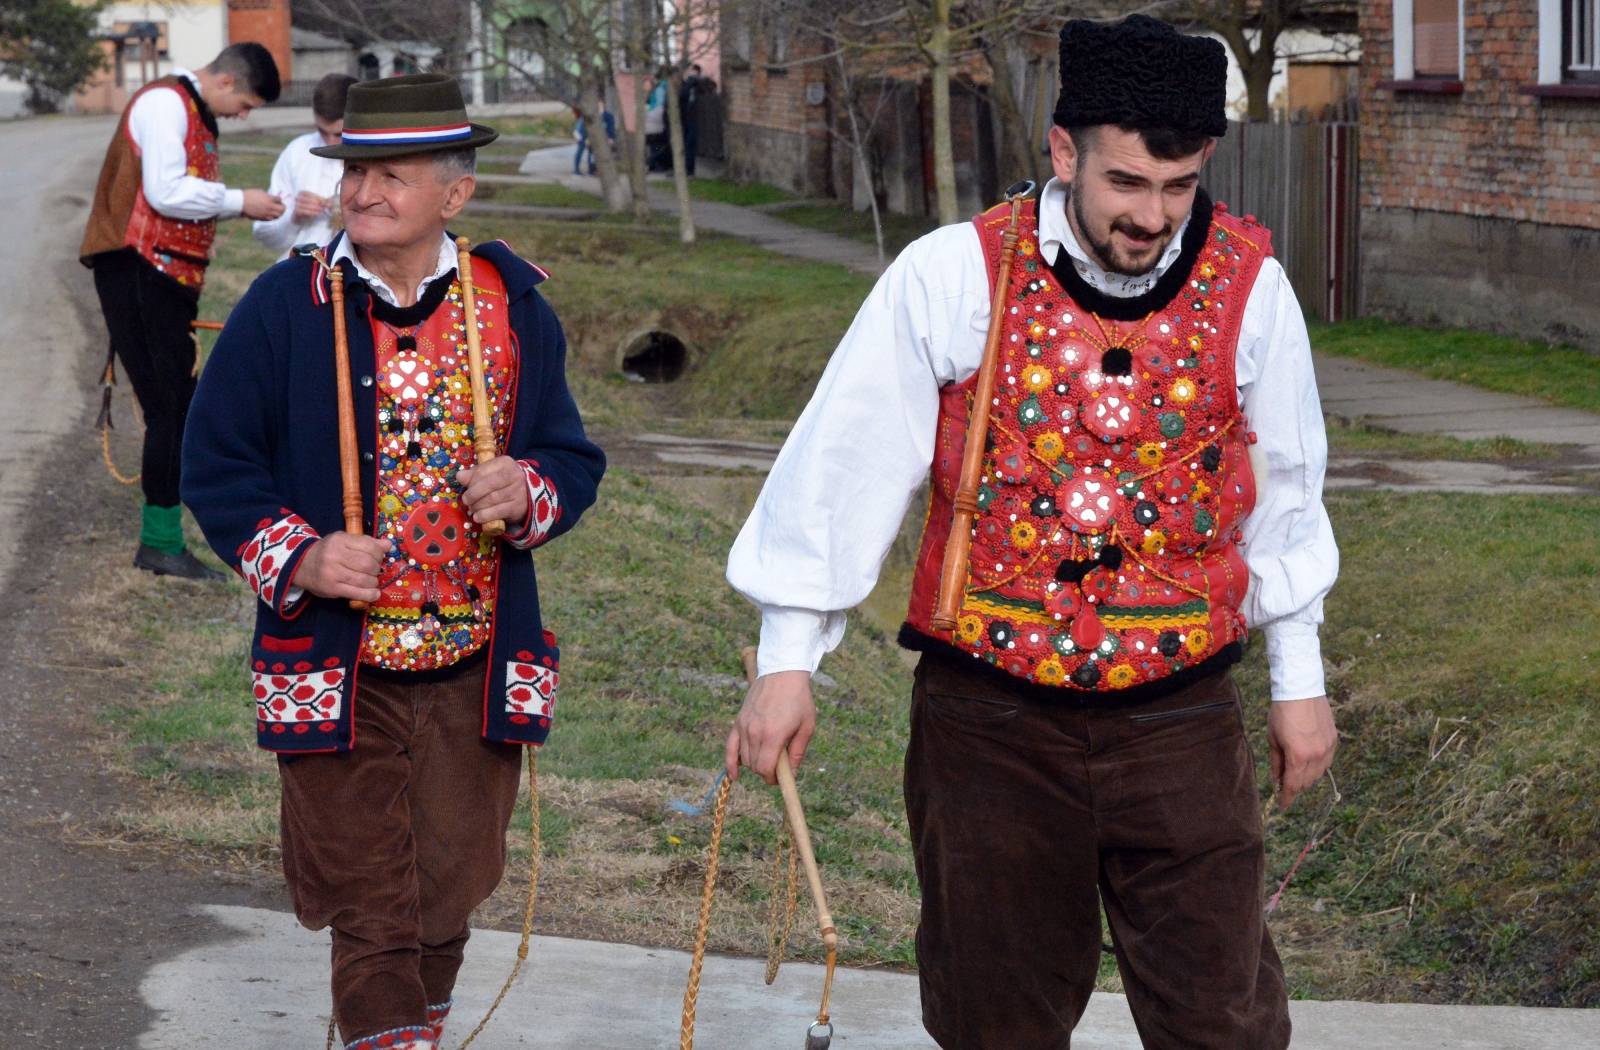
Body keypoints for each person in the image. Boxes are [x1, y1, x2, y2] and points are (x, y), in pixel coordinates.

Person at [725, 15, 1338, 1050]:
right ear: (1063, 153)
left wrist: (1299, 680)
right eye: (1126, 184)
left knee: (1222, 1017)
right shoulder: (953, 276)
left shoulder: (1251, 286)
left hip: (1181, 719)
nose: (1152, 218)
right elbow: (843, 464)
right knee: (991, 1017)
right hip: (988, 726)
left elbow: (1285, 491)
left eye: (1178, 188)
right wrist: (789, 659)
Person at [181, 74, 605, 1050]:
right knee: (372, 909)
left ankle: (410, 1033)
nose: (361, 194)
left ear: (455, 195)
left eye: (390, 176)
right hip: (339, 667)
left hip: (472, 661)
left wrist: (527, 489)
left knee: (446, 896)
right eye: (352, 172)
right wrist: (305, 557)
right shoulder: (288, 306)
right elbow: (217, 465)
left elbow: (572, 458)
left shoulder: (514, 306)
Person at [80, 42, 284, 580]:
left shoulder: (187, 108)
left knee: (177, 405)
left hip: (160, 276)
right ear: (224, 83)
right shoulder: (164, 104)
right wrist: (242, 200)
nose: (242, 116)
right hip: (140, 270)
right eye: (246, 105)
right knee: (171, 408)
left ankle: (166, 533)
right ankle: (161, 542)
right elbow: (166, 192)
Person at [252, 72, 357, 256]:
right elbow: (265, 236)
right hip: (303, 271)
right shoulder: (298, 151)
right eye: (321, 131)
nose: (330, 143)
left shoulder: (381, 156)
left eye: (339, 134)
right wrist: (294, 217)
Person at [677, 64, 711, 178]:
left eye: (691, 72)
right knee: (686, 145)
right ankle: (686, 169)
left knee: (690, 144)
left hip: (695, 119)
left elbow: (707, 89)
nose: (689, 74)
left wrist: (693, 81)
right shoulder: (686, 85)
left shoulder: (701, 84)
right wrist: (689, 82)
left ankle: (690, 171)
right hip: (686, 118)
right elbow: (682, 95)